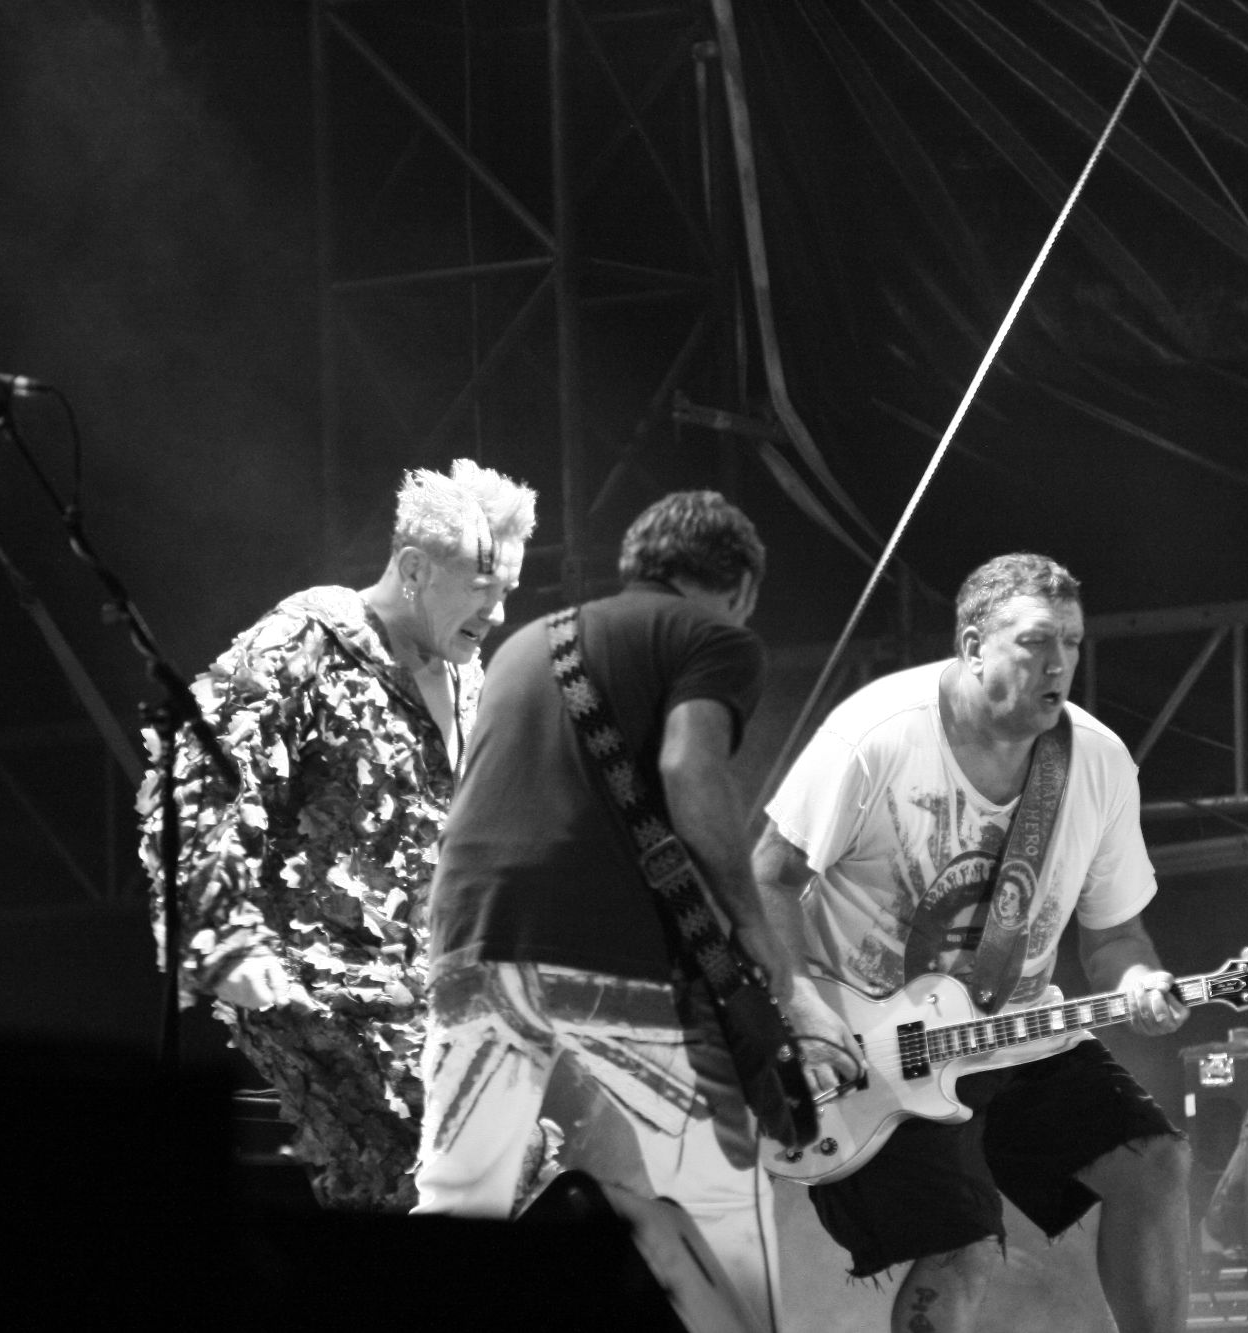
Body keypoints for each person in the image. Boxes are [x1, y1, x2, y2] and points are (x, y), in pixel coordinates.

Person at [413, 491, 859, 1329]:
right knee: (717, 1193)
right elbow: (691, 771)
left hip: (467, 946)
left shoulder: (522, 646)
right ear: (741, 586)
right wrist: (760, 940)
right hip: (602, 952)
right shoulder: (714, 637)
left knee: (456, 1201)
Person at [755, 551, 1192, 1332]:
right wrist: (804, 1011)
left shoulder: (1097, 764)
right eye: (1034, 641)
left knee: (1155, 1163)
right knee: (966, 1250)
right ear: (972, 646)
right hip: (867, 1057)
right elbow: (767, 878)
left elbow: (1115, 937)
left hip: (1011, 1033)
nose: (1057, 663)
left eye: (1071, 641)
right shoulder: (877, 737)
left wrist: (1137, 981)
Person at [137, 458, 536, 1211]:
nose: (497, 612)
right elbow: (197, 778)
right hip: (325, 984)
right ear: (414, 569)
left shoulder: (468, 677)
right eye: (483, 588)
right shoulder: (308, 639)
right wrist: (221, 934)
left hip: (434, 986)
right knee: (462, 1156)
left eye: (508, 592)